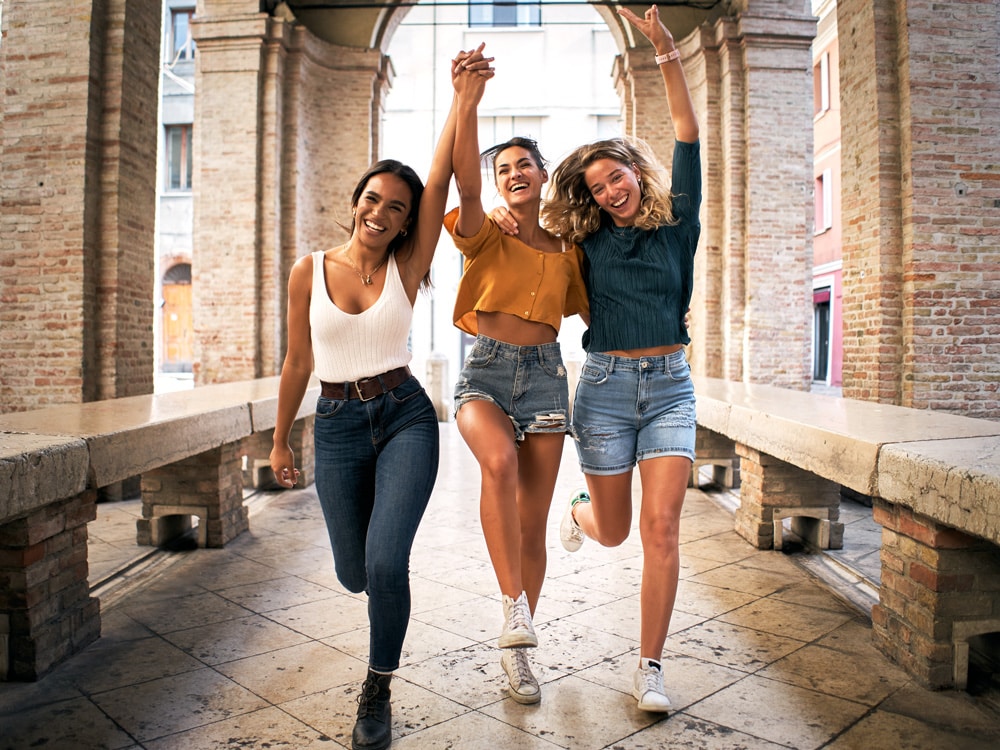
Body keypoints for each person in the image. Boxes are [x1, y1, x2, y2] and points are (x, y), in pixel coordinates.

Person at [268, 48, 494, 750]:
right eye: (373, 199)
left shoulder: (409, 264)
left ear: (405, 225)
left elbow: (442, 180)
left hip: (404, 417)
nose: (382, 211)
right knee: (353, 571)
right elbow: (298, 360)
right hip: (335, 424)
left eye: (397, 208)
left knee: (386, 562)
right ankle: (374, 600)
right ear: (356, 202)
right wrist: (279, 440)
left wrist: (463, 98)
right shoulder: (309, 270)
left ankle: (378, 685)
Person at [497, 4, 700, 714]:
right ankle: (581, 512)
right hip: (608, 390)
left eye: (620, 176)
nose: (614, 189)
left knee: (662, 529)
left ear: (635, 172)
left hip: (672, 387)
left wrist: (667, 52)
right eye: (600, 185)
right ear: (590, 196)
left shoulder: (679, 222)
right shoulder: (583, 244)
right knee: (614, 532)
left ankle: (650, 668)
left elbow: (687, 134)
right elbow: (527, 237)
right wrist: (503, 214)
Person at [444, 47, 589, 703]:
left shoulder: (569, 248)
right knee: (497, 463)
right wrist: (465, 102)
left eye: (524, 163)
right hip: (486, 373)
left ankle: (521, 652)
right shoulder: (486, 232)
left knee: (534, 525)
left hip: (547, 379)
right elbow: (464, 187)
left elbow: (604, 312)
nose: (514, 173)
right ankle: (511, 610)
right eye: (504, 169)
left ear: (542, 173)